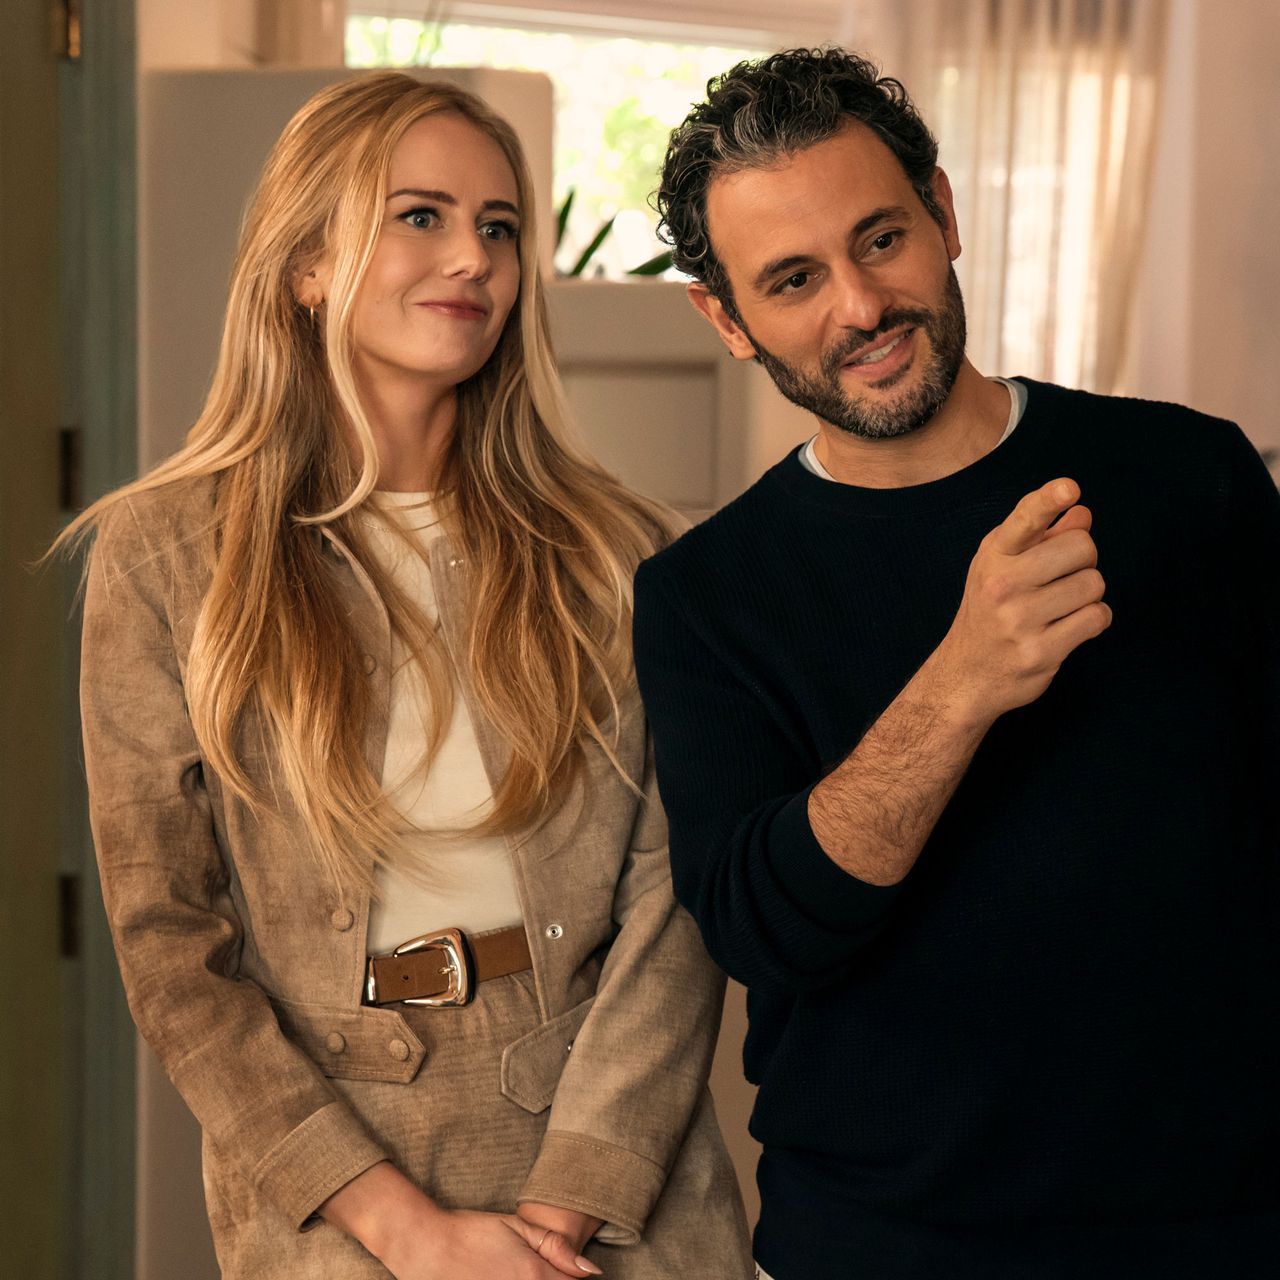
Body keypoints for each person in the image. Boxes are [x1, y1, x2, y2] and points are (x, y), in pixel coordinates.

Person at [64, 72, 752, 1279]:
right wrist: (406, 1229)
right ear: (307, 263)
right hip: (334, 1179)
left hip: (607, 1155)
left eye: (499, 226)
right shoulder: (166, 554)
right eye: (419, 215)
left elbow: (676, 895)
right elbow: (170, 942)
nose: (473, 257)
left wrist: (566, 1208)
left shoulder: (619, 551)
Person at [633, 46, 1280, 1280]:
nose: (859, 307)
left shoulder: (1189, 473)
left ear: (939, 212)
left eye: (879, 239)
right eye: (791, 279)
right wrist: (961, 678)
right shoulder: (703, 596)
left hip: (1227, 1227)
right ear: (725, 320)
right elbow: (765, 931)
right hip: (883, 1247)